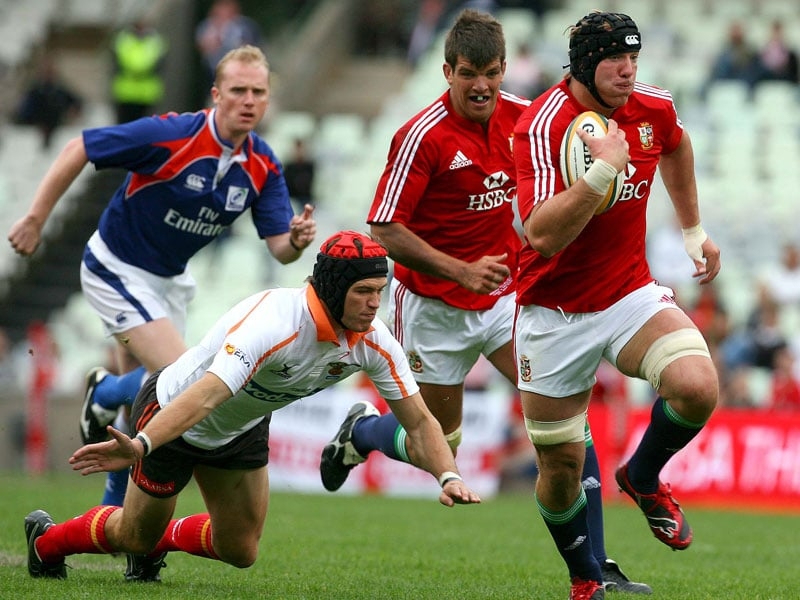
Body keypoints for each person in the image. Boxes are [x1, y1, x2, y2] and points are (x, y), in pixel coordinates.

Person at [324, 9, 649, 595]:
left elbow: (575, 156)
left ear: (505, 71)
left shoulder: (525, 119)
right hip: (434, 310)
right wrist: (459, 270)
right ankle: (361, 435)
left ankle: (599, 567)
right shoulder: (421, 136)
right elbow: (384, 228)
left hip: (506, 303)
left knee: (568, 426)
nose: (482, 85)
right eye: (469, 72)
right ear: (447, 71)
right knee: (439, 447)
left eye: (493, 72)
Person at [23, 230, 480, 582]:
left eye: (380, 290)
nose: (374, 303)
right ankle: (47, 541)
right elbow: (205, 395)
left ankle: (158, 540)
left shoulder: (373, 341)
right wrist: (142, 444)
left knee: (240, 551)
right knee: (131, 536)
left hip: (239, 429)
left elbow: (420, 421)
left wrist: (449, 475)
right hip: (173, 416)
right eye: (364, 291)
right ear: (333, 289)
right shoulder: (274, 323)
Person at [8, 45, 317, 507]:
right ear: (216, 94)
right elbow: (80, 147)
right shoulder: (171, 134)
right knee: (180, 379)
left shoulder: (263, 165)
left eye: (258, 91)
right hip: (115, 267)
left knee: (146, 407)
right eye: (238, 90)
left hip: (169, 283)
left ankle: (113, 516)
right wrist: (36, 218)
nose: (249, 100)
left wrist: (296, 239)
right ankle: (104, 392)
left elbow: (280, 249)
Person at [513, 10, 721, 599]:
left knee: (697, 384)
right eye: (613, 59)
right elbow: (542, 235)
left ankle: (644, 474)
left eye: (633, 57)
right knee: (559, 470)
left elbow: (676, 148)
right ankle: (586, 579)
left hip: (628, 293)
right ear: (582, 63)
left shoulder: (652, 107)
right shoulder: (542, 122)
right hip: (552, 312)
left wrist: (691, 232)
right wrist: (604, 168)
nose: (628, 70)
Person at [13, 57, 83, 149]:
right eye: (46, 72)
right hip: (36, 130)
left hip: (58, 129)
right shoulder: (35, 91)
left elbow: (77, 102)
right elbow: (24, 111)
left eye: (50, 72)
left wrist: (73, 113)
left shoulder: (60, 91)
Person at [195, 0, 263, 93]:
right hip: (213, 71)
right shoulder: (207, 26)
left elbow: (251, 45)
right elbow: (202, 46)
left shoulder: (243, 26)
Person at [110, 17, 168, 124]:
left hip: (146, 93)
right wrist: (140, 70)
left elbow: (157, 62)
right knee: (125, 128)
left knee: (144, 129)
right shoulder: (124, 39)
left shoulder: (154, 41)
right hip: (126, 92)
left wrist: (136, 70)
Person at [282, 137, 316, 213]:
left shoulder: (309, 166)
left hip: (306, 200)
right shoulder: (289, 167)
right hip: (292, 200)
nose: (299, 151)